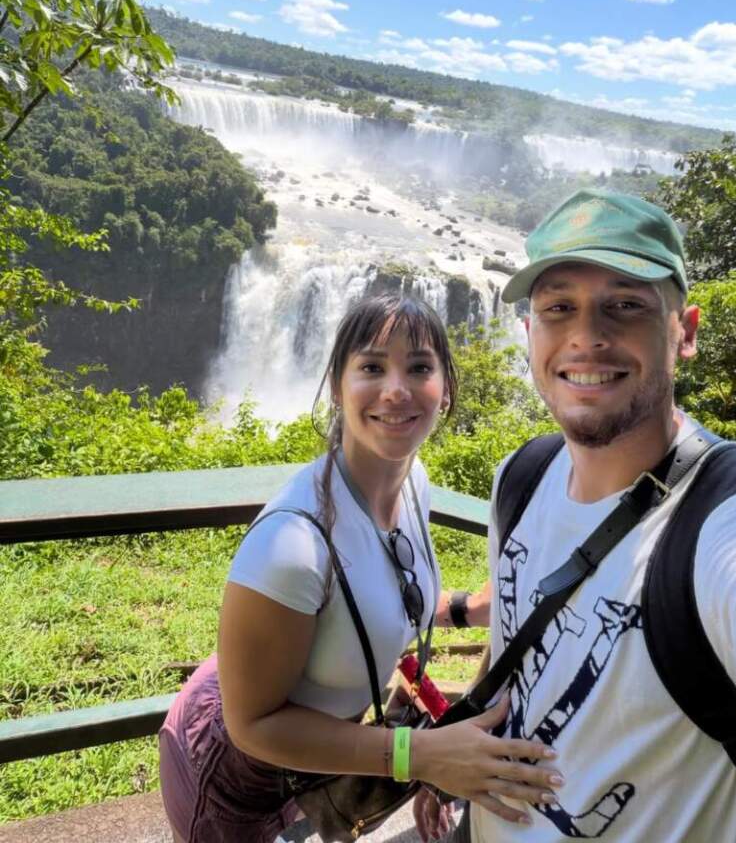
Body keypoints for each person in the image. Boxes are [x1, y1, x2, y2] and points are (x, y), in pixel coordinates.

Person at [158, 293, 563, 843]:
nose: (396, 389)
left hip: (322, 758)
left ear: (444, 391)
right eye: (372, 367)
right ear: (337, 388)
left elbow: (375, 602)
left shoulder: (413, 485)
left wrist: (466, 610)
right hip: (236, 774)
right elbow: (251, 724)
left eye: (419, 367)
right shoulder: (292, 543)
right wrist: (419, 756)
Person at [435, 189, 736, 842]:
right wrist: (454, 744)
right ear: (531, 332)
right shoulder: (521, 478)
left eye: (626, 305)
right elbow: (516, 641)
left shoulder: (730, 525)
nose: (587, 336)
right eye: (559, 307)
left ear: (686, 331)